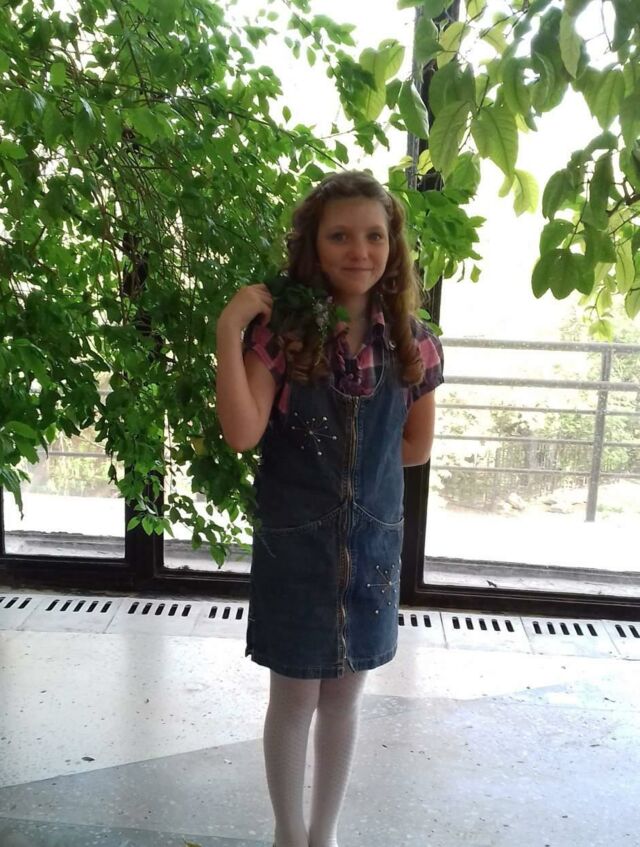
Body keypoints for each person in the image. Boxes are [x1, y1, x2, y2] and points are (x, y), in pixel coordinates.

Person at [215, 170, 444, 847]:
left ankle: (326, 835)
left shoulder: (414, 342)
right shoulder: (281, 337)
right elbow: (242, 432)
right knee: (294, 697)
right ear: (313, 246)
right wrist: (229, 329)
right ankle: (289, 835)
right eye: (340, 236)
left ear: (392, 246)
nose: (359, 250)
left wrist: (353, 475)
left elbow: (415, 448)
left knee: (345, 697)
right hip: (296, 547)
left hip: (371, 548)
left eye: (374, 235)